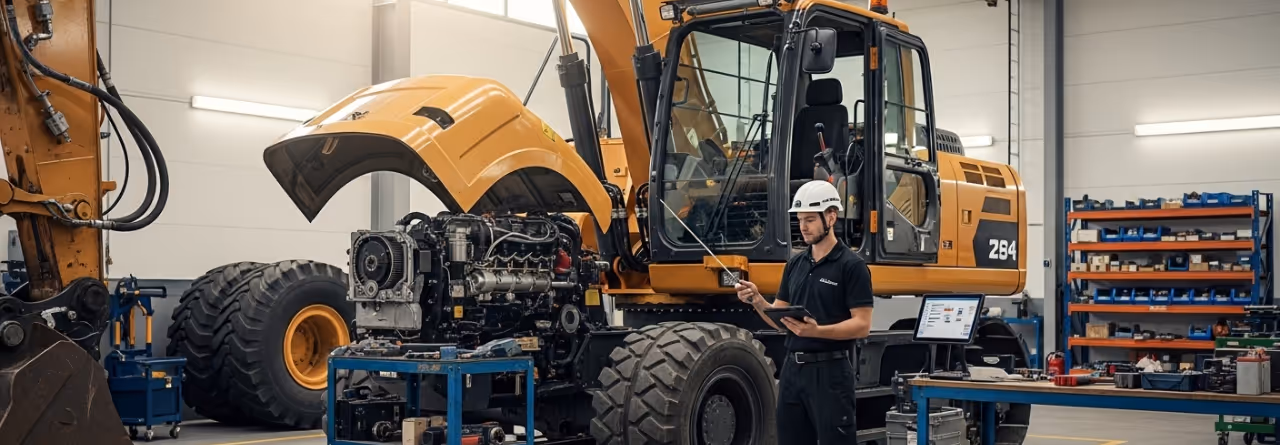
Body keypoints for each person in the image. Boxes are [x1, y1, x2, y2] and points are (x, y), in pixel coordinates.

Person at [734, 180, 874, 444]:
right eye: (800, 219)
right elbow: (780, 320)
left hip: (831, 373)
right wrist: (757, 301)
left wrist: (817, 331)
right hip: (792, 372)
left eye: (810, 219)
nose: (803, 226)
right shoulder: (795, 264)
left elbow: (862, 324)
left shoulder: (852, 266)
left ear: (831, 217)